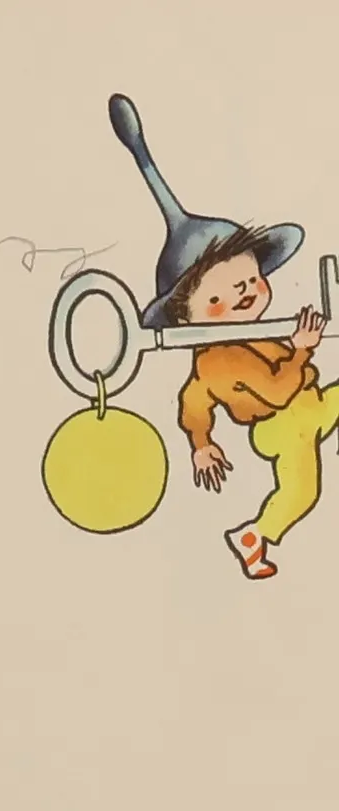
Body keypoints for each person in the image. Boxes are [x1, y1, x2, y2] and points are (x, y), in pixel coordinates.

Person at [109, 93, 332, 580]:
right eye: (222, 295)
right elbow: (276, 390)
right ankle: (254, 536)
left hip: (308, 402)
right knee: (302, 491)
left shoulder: (251, 336)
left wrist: (200, 440)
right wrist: (300, 352)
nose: (248, 293)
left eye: (251, 280)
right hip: (282, 421)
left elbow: (193, 404)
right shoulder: (219, 361)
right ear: (186, 316)